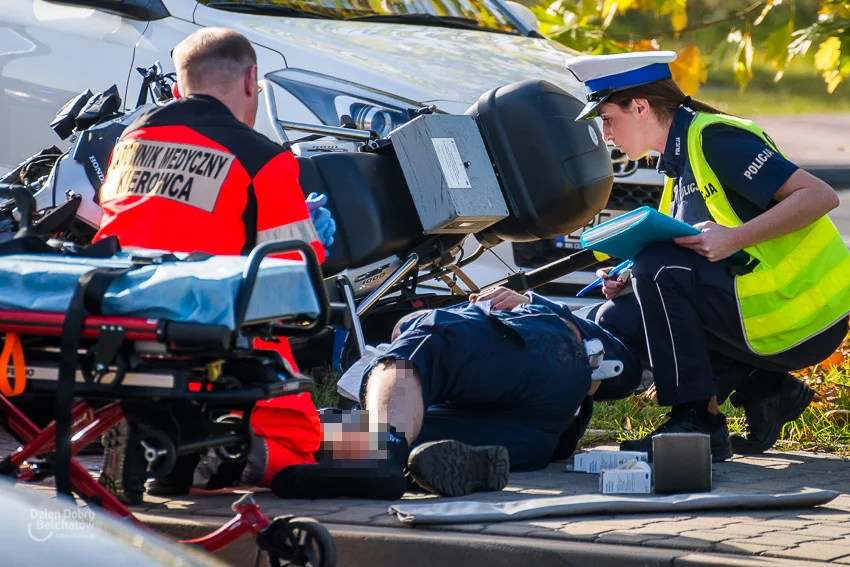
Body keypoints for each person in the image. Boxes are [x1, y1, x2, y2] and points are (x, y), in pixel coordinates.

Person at [563, 50, 849, 461]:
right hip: (765, 313)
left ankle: (698, 422)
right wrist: (626, 276)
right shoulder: (677, 163)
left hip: (806, 316)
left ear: (640, 107)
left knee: (657, 271)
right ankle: (767, 389)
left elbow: (819, 196)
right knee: (620, 315)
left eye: (608, 119)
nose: (606, 134)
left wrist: (735, 237)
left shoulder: (715, 139)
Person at [93, 28, 337, 504]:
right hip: (207, 324)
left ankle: (160, 441)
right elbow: (291, 279)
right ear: (251, 79)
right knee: (304, 443)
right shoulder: (263, 157)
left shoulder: (130, 142)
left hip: (116, 315)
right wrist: (318, 240)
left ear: (181, 87)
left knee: (344, 438)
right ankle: (212, 454)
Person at [269, 286, 643, 500]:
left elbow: (623, 370)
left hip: (545, 366)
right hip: (532, 440)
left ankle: (383, 457)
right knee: (327, 430)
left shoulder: (535, 314)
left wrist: (529, 301)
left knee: (426, 342)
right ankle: (398, 462)